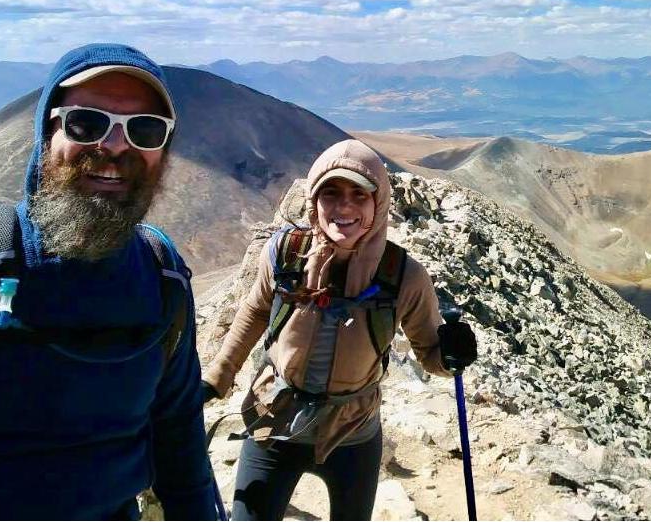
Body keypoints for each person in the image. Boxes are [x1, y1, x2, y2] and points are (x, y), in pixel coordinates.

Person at [0, 43, 223, 520]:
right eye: (86, 123)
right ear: (46, 133)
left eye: (145, 130)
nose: (116, 146)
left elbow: (178, 438)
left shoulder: (162, 277)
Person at [202, 139, 477, 521]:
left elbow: (431, 356)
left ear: (377, 203)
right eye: (330, 193)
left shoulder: (403, 277)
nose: (344, 207)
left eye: (358, 195)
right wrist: (216, 378)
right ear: (314, 201)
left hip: (352, 434)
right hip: (274, 424)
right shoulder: (284, 254)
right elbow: (255, 312)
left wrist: (452, 358)